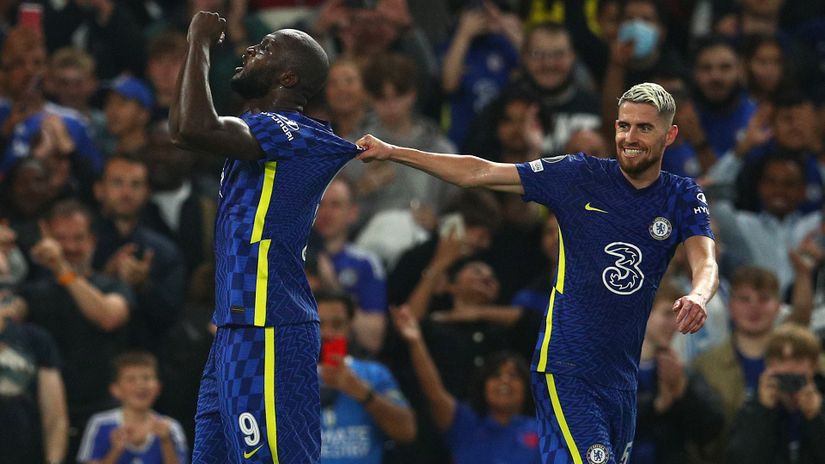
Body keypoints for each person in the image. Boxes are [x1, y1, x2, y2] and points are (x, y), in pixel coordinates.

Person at [357, 81, 718, 463]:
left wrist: (698, 294)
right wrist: (392, 151)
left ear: (670, 134)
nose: (630, 137)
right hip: (567, 367)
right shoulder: (579, 175)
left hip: (621, 377)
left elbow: (706, 260)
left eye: (644, 128)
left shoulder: (681, 194)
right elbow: (479, 171)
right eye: (623, 125)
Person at [169, 11, 360, 464]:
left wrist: (198, 41)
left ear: (289, 76)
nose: (251, 49)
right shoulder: (262, 132)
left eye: (267, 46)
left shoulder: (288, 131)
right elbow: (182, 130)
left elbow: (195, 126)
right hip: (237, 326)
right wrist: (194, 47)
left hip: (269, 325)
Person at [392, 305, 541, 464]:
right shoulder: (464, 423)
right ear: (483, 385)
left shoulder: (544, 432)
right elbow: (434, 393)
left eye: (514, 376)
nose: (504, 381)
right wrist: (416, 342)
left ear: (527, 388)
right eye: (496, 375)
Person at [315, 290, 416, 463]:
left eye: (337, 324)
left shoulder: (374, 374)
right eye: (319, 324)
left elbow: (407, 431)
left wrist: (363, 393)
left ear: (350, 326)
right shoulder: (287, 376)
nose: (327, 333)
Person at [726, 323, 825, 464]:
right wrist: (762, 411)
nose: (789, 368)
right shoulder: (753, 407)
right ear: (768, 365)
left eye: (797, 360)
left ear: (814, 365)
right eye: (780, 360)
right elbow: (740, 458)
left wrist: (816, 418)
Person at [77, 351, 188, 464]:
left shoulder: (171, 427)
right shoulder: (100, 424)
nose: (140, 385)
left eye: (146, 378)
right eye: (131, 379)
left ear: (158, 387)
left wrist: (166, 442)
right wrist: (115, 451)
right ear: (115, 389)